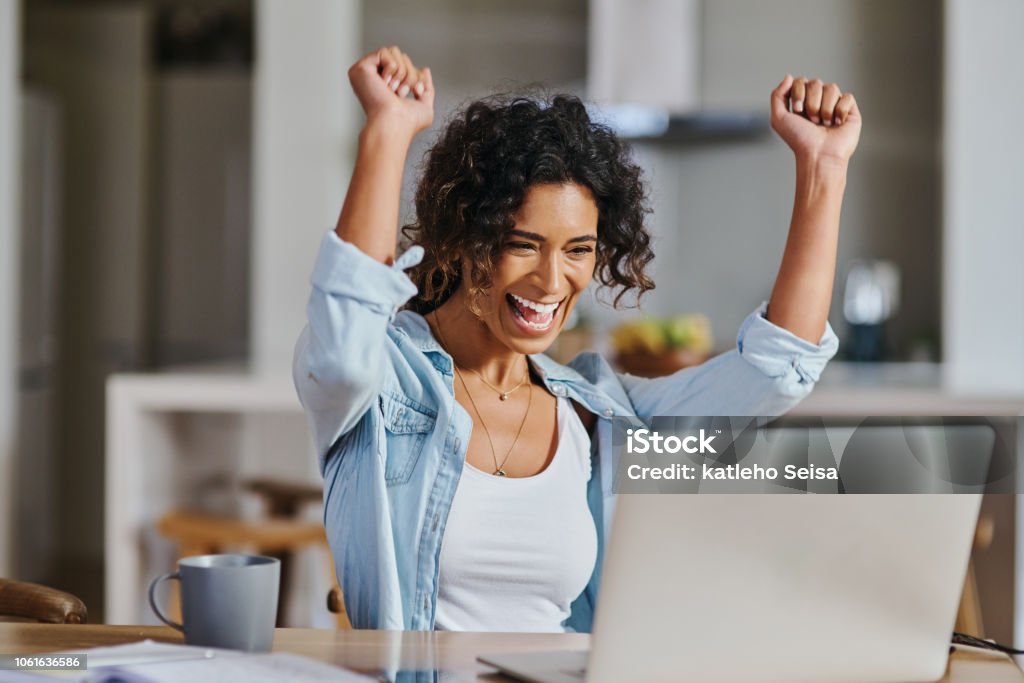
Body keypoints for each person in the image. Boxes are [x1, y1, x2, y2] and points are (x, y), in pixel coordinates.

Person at [294, 46, 859, 632]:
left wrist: (824, 167)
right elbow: (346, 334)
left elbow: (773, 372)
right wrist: (388, 130)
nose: (550, 279)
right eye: (522, 244)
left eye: (578, 250)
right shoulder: (385, 386)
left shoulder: (599, 414)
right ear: (462, 238)